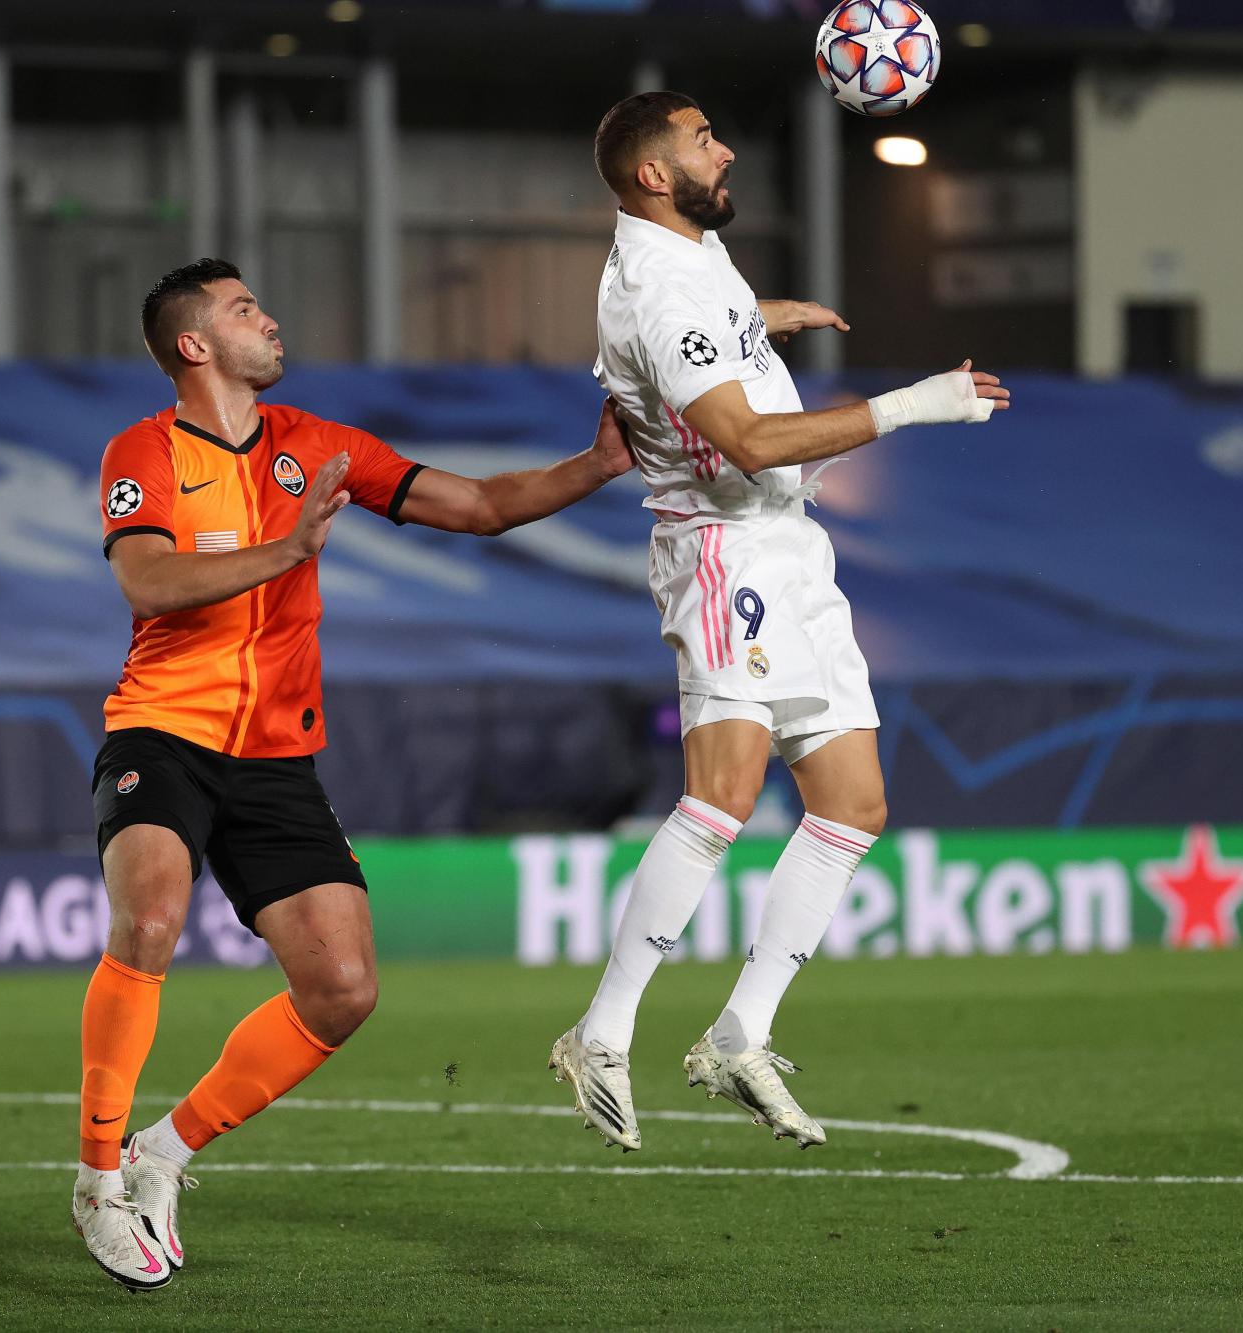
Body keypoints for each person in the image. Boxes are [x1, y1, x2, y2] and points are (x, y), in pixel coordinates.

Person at [72, 257, 636, 1292]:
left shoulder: (318, 445)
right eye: (246, 310)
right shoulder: (143, 450)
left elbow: (476, 504)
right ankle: (98, 1176)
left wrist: (593, 467)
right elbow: (145, 577)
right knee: (148, 918)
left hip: (277, 755)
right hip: (161, 730)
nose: (270, 319)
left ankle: (164, 1151)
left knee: (340, 988)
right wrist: (281, 555)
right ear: (194, 345)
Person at [550, 91, 1009, 1153]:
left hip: (790, 548)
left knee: (851, 805)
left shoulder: (692, 253)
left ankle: (735, 1036)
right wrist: (911, 405)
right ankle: (601, 1031)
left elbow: (707, 355)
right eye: (702, 139)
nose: (724, 148)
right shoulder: (661, 283)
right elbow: (745, 442)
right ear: (653, 174)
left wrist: (762, 321)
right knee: (721, 793)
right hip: (721, 549)